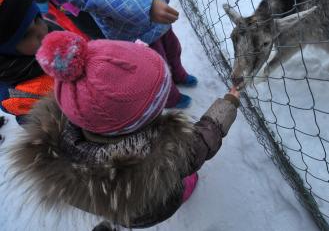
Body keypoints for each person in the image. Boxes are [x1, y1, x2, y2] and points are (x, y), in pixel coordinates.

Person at [9, 31, 240, 228]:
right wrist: (227, 105)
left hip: (124, 210)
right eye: (157, 102)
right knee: (178, 184)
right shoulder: (166, 154)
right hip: (155, 206)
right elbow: (202, 140)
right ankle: (184, 190)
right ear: (137, 120)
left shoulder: (58, 157)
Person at [22, 0, 198, 108]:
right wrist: (141, 5)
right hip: (118, 11)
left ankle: (178, 73)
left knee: (171, 44)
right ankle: (168, 96)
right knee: (152, 60)